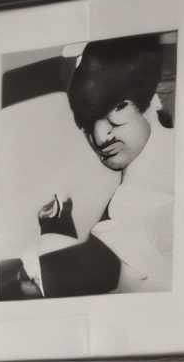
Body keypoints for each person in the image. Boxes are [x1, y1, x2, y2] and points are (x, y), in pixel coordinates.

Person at [12, 35, 174, 298]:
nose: (101, 138)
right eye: (87, 123)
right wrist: (58, 227)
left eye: (116, 111)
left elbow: (143, 281)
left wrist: (57, 248)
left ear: (152, 101)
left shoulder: (172, 170)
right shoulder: (140, 174)